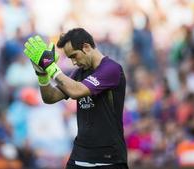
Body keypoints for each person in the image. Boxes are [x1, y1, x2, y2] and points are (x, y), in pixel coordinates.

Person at [24, 28, 128, 169]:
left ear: (86, 47)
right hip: (80, 155)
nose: (73, 62)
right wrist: (42, 74)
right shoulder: (80, 73)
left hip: (108, 157)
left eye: (74, 56)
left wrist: (50, 66)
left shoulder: (112, 69)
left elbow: (76, 90)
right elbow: (50, 97)